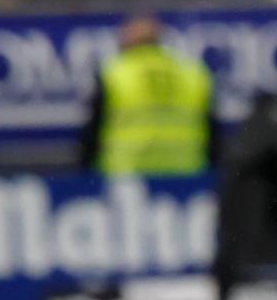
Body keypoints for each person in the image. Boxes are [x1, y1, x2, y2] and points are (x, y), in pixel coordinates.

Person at [77, 13, 216, 177]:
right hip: (186, 175)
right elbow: (213, 133)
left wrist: (85, 174)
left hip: (127, 177)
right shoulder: (193, 73)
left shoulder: (114, 73)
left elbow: (93, 132)